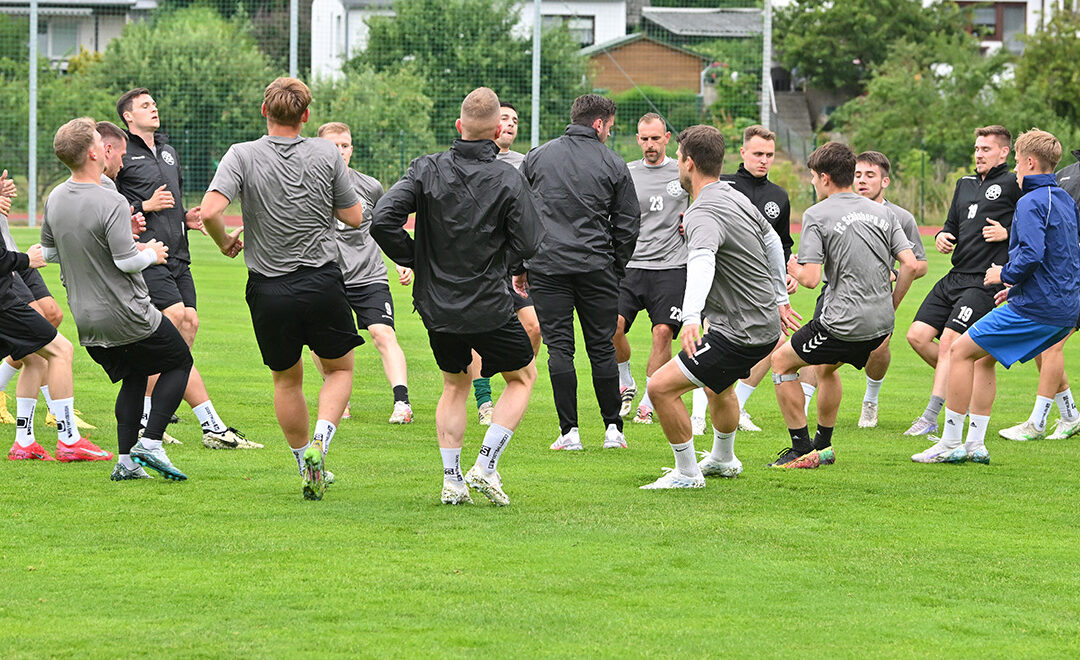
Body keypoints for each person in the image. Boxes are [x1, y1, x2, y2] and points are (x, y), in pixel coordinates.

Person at [372, 87, 542, 505]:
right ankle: (485, 465)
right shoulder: (508, 176)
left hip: (438, 304)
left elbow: (382, 220)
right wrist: (507, 262)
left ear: (459, 126)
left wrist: (417, 258)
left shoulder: (426, 168)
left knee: (454, 385)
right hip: (489, 302)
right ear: (498, 129)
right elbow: (532, 240)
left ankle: (452, 481)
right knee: (522, 377)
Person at [200, 77, 365, 500]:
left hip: (268, 287)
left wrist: (224, 243)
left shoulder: (241, 155)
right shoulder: (327, 153)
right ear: (306, 116)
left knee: (286, 381)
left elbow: (211, 211)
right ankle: (320, 447)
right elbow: (352, 216)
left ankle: (303, 464)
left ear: (264, 111)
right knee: (340, 370)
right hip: (321, 281)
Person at [639, 125, 798, 489]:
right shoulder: (735, 194)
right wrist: (780, 298)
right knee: (719, 387)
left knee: (661, 388)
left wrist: (692, 316)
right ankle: (724, 460)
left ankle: (687, 473)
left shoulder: (702, 211)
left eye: (678, 158)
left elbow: (702, 260)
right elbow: (773, 241)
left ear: (688, 163)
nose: (677, 165)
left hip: (740, 331)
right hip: (759, 327)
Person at [913, 129, 1080, 464]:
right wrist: (1014, 288)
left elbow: (1031, 255)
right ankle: (975, 445)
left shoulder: (1032, 200)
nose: (1017, 169)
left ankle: (949, 443)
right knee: (983, 357)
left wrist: (1003, 274)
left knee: (959, 352)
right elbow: (1061, 256)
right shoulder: (1062, 198)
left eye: (1018, 161)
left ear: (1030, 161)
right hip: (1062, 307)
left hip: (1040, 307)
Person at [41, 117, 191, 479]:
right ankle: (151, 443)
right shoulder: (111, 199)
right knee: (178, 362)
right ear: (94, 152)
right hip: (126, 312)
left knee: (136, 374)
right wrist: (151, 253)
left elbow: (49, 252)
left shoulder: (56, 197)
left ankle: (125, 463)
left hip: (87, 320)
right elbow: (126, 262)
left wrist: (112, 243)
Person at [114, 88, 252, 450]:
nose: (153, 108)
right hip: (148, 254)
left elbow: (170, 202)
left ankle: (185, 420)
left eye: (154, 103)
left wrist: (187, 218)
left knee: (187, 325)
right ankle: (163, 420)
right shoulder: (120, 153)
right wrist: (143, 203)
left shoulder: (168, 151)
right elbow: (109, 205)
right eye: (145, 106)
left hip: (179, 255)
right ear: (128, 116)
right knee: (173, 319)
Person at [770, 142, 918, 468]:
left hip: (842, 323)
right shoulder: (883, 212)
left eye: (812, 177)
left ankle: (800, 449)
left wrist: (790, 267)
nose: (812, 183)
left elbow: (809, 279)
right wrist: (890, 308)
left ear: (824, 178)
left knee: (781, 362)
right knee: (825, 368)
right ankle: (823, 445)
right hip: (880, 327)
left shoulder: (816, 213)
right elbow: (911, 265)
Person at [521, 94, 640, 451]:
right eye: (610, 127)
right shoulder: (613, 162)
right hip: (596, 266)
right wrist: (615, 263)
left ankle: (569, 431)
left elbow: (519, 213)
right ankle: (612, 429)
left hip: (547, 266)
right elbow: (629, 222)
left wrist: (519, 264)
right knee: (601, 346)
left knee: (560, 348)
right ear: (599, 124)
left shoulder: (537, 156)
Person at [904, 125, 1021, 436]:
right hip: (955, 275)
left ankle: (930, 417)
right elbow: (950, 224)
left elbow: (1037, 226)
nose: (979, 154)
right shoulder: (964, 183)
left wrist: (1008, 233)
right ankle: (959, 385)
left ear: (1004, 152)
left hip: (985, 281)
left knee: (950, 343)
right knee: (916, 336)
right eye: (977, 148)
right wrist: (943, 236)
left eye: (986, 149)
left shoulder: (1014, 183)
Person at [316, 121, 415, 424]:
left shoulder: (369, 186)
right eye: (333, 146)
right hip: (328, 278)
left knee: (382, 333)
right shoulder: (309, 188)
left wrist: (401, 259)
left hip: (369, 275)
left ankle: (402, 403)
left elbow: (384, 228)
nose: (340, 151)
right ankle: (338, 398)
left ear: (351, 149)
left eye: (345, 145)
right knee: (322, 343)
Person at [0, 170, 97, 440]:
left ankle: (25, 440)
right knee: (52, 350)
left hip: (14, 254)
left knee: (49, 321)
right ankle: (66, 434)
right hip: (10, 265)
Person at [994, 147, 1080, 441]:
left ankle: (1038, 422)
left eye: (1017, 163)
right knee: (1045, 346)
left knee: (1049, 347)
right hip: (1061, 281)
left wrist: (1009, 277)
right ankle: (1069, 415)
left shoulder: (1058, 185)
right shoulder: (1066, 177)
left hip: (1066, 284)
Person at [719, 125, 797, 434]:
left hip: (762, 284)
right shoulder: (723, 185)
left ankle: (736, 403)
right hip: (725, 280)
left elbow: (783, 244)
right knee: (715, 339)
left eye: (769, 155)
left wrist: (787, 273)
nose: (763, 160)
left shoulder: (778, 196)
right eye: (757, 154)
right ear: (742, 153)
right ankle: (701, 413)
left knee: (774, 340)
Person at [468, 100, 542, 425]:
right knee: (478, 332)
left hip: (514, 265)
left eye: (515, 119)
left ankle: (514, 386)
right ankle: (484, 401)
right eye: (504, 118)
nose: (510, 124)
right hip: (481, 264)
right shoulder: (472, 163)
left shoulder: (525, 164)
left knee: (534, 326)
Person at [613, 113, 688, 425]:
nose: (649, 145)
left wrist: (692, 217)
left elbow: (704, 199)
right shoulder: (626, 172)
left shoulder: (682, 171)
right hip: (631, 265)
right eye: (644, 139)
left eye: (655, 138)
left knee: (662, 333)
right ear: (637, 139)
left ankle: (648, 400)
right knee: (612, 328)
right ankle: (625, 380)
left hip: (671, 266)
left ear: (667, 138)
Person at [852, 151, 929, 427]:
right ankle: (804, 404)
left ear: (885, 181)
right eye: (858, 175)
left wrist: (894, 274)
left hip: (879, 300)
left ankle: (870, 402)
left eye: (870, 175)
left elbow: (920, 264)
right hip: (840, 295)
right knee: (822, 357)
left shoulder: (900, 217)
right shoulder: (840, 210)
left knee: (879, 346)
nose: (862, 181)